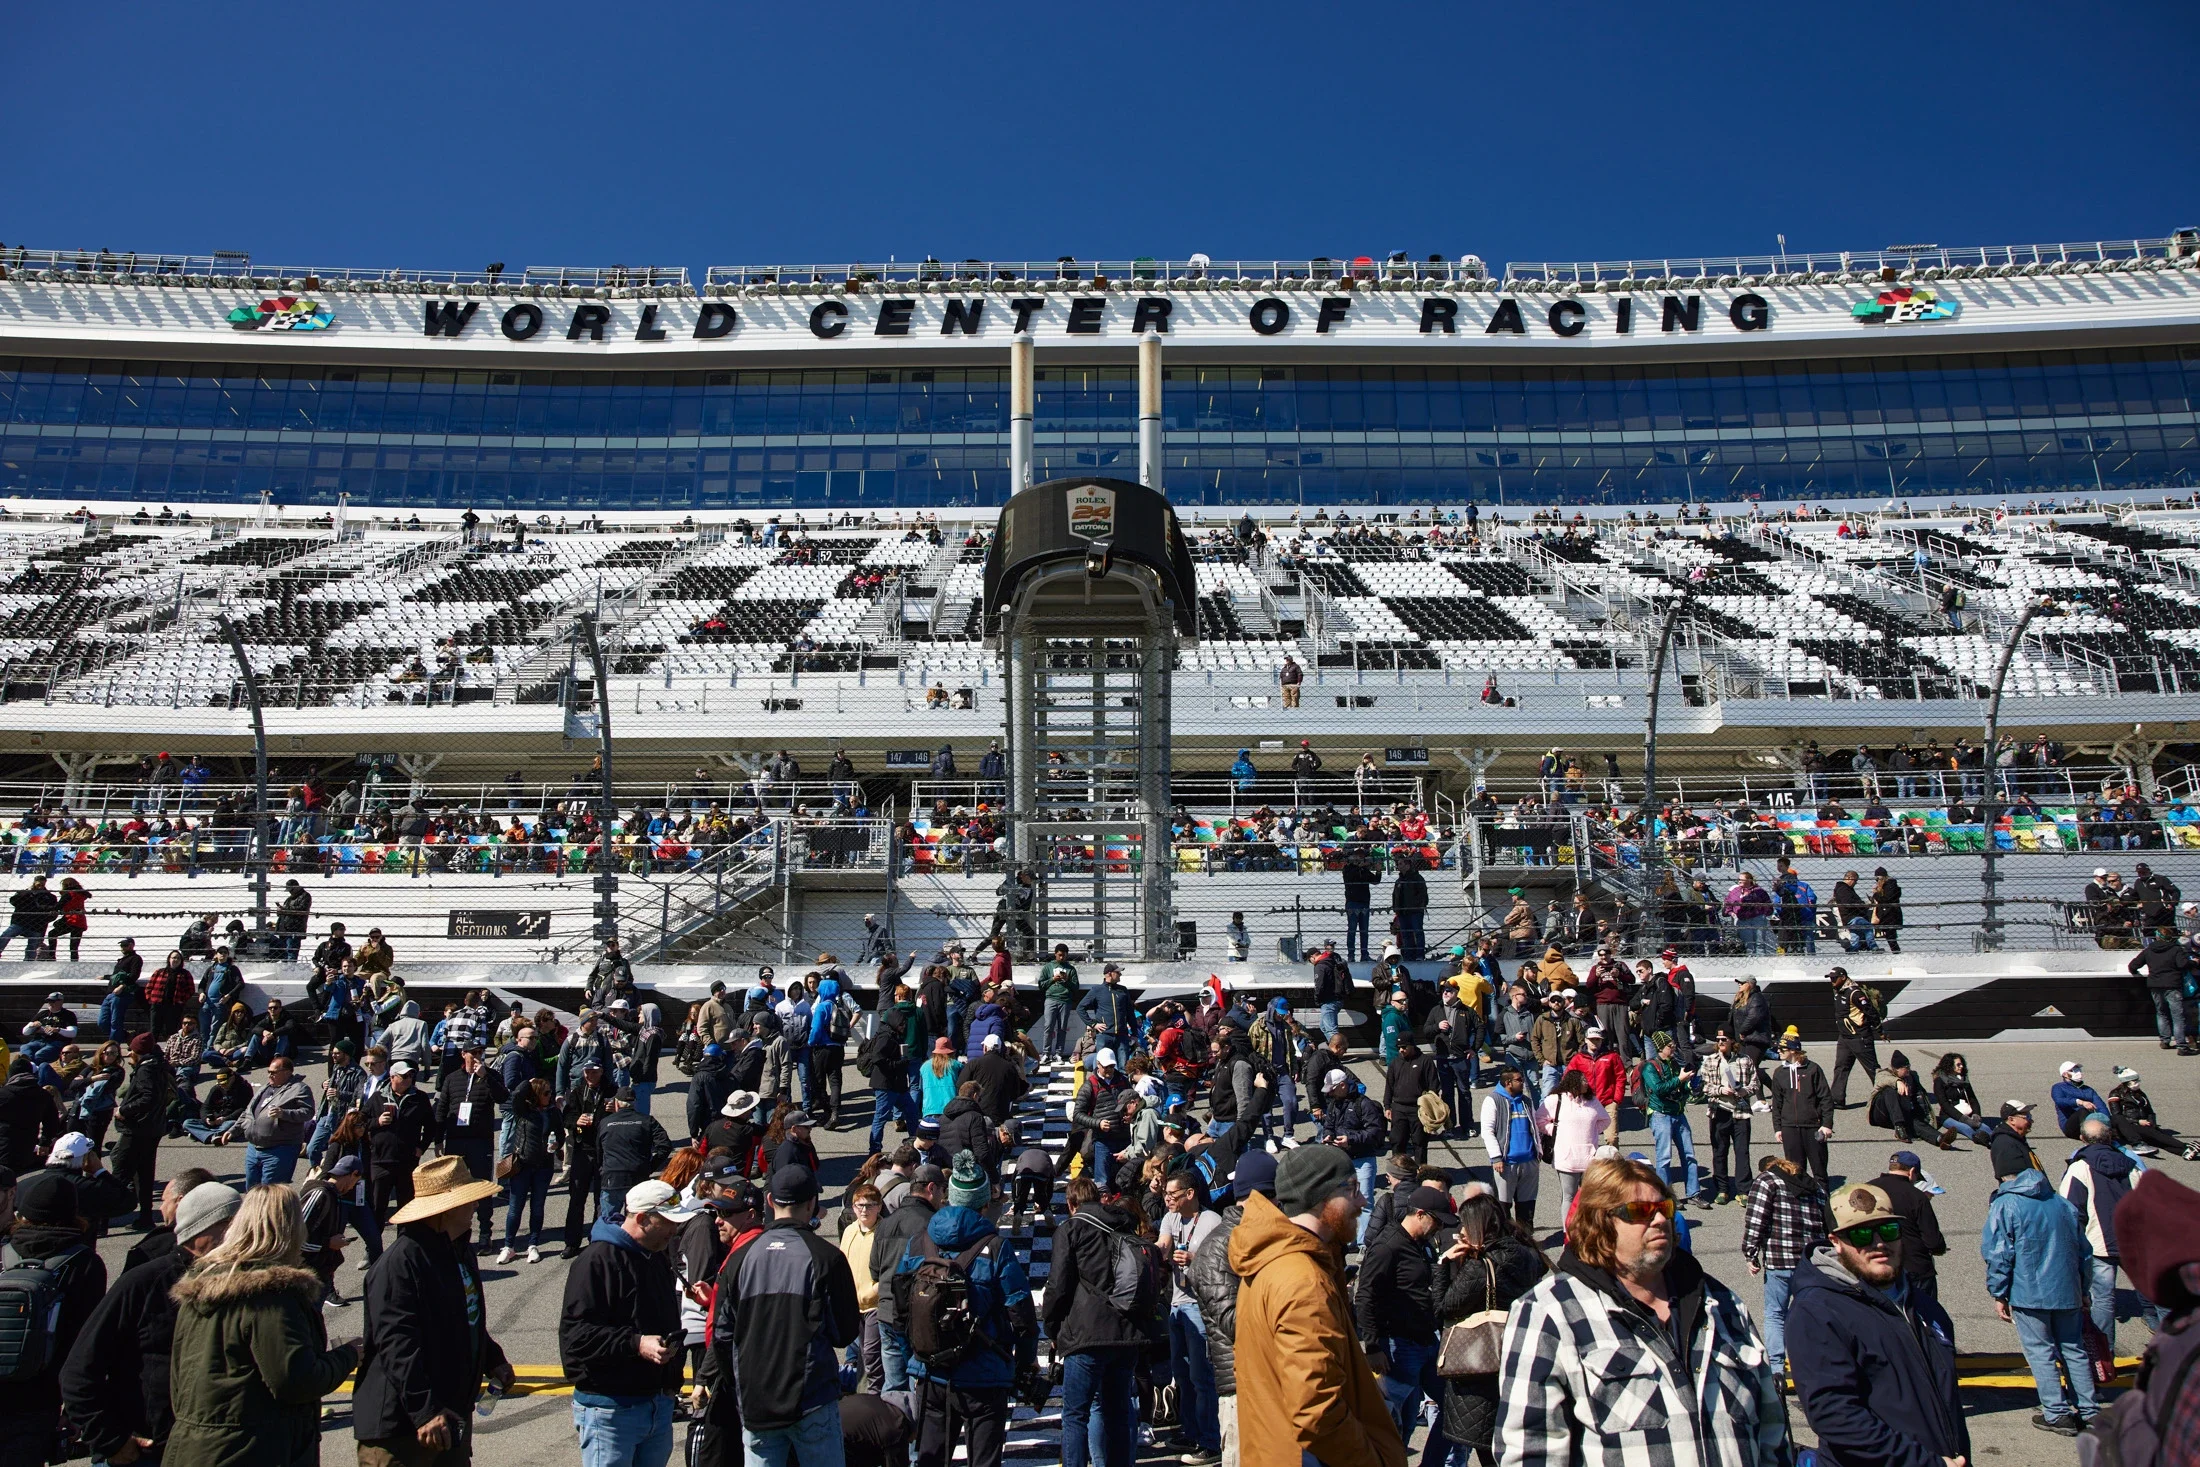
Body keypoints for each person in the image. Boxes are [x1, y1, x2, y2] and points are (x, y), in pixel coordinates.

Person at [1496, 1155, 1785, 1467]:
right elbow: (1529, 1453)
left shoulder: (1722, 1304)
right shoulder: (1548, 1313)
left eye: (1664, 1209)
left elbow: (1773, 1435)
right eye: (1641, 1212)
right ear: (1601, 1223)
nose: (1660, 1219)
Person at [1229, 1144, 1406, 1467]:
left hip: (1277, 1449)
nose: (1363, 1201)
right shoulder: (1302, 1280)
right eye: (1352, 1189)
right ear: (1324, 1196)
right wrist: (1372, 1460)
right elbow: (1316, 1410)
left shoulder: (1275, 1260)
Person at [165, 1184, 363, 1467]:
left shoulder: (200, 1286)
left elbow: (178, 1378)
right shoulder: (273, 1295)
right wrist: (348, 1356)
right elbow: (296, 1380)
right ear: (294, 1230)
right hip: (254, 1449)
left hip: (194, 1445)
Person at [1785, 1181, 1970, 1467]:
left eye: (1887, 1230)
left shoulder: (1924, 1306)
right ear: (1835, 1241)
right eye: (1860, 1234)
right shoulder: (1817, 1312)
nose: (1878, 1243)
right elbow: (1836, 1417)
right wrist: (1923, 1463)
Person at [61, 1180, 239, 1467]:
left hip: (212, 1451)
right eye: (229, 1226)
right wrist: (110, 1440)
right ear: (199, 1230)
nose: (238, 1237)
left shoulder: (239, 1284)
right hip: (144, 1451)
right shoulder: (145, 1282)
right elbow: (79, 1371)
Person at [353, 1156, 514, 1467]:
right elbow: (397, 1346)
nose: (476, 1208)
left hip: (448, 1418)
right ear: (446, 1209)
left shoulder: (458, 1249)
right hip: (405, 1430)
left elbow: (464, 1317)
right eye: (469, 1201)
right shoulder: (399, 1264)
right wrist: (425, 1410)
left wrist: (492, 1358)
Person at [896, 1154, 1035, 1467]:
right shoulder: (996, 1247)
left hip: (932, 1373)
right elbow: (1021, 1312)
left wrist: (913, 1355)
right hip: (985, 1373)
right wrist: (1024, 1363)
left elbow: (901, 1307)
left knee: (930, 1459)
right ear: (984, 1205)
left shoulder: (921, 1242)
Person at [725, 1166, 859, 1466]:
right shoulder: (826, 1257)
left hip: (756, 1400)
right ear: (812, 1203)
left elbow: (722, 1335)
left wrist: (741, 1384)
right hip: (811, 1399)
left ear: (770, 1200)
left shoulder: (740, 1258)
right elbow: (845, 1332)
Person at [557, 1178, 689, 1467]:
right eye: (668, 1221)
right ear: (642, 1219)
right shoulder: (597, 1261)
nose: (674, 1229)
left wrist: (670, 1384)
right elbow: (576, 1337)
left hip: (656, 1404)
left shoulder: (653, 1254)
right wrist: (636, 1343)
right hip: (611, 1410)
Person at [0, 1171, 109, 1465]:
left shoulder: (3, 1254)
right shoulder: (84, 1263)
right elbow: (85, 1343)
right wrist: (75, 1406)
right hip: (40, 1398)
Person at [1984, 1160, 2099, 1435]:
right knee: (2074, 1349)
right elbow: (2085, 1251)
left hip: (2028, 1292)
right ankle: (2090, 1411)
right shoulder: (2063, 1205)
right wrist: (2083, 1289)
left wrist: (1998, 1292)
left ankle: (2057, 1413)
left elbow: (1999, 1253)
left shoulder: (2006, 1204)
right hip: (2067, 1290)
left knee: (2041, 1352)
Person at [1434, 1192, 1549, 1467]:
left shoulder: (1481, 1267)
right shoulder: (1527, 1254)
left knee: (1489, 1453)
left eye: (1464, 1225)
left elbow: (1443, 1308)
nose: (1460, 1231)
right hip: (1523, 1356)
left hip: (1484, 1368)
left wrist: (1444, 1264)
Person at [1046, 1176, 1152, 1467]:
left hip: (1086, 1334)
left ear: (1071, 1204)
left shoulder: (1071, 1229)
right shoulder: (1124, 1224)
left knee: (1075, 1415)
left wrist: (1052, 1327)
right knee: (1118, 1410)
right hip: (1127, 1332)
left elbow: (1058, 1285)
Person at [1187, 1149, 1275, 1467]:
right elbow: (1234, 1322)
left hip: (1276, 1381)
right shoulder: (1218, 1248)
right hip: (1242, 1388)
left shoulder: (1272, 1238)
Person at [1355, 1182, 1452, 1459]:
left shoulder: (1419, 1244)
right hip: (1399, 1348)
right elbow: (1365, 1297)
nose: (1439, 1228)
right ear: (1420, 1214)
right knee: (1394, 1422)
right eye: (1436, 1221)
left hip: (1424, 1342)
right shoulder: (1388, 1246)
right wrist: (1373, 1346)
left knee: (1450, 1409)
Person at [2062, 1114, 2148, 1354]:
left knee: (2103, 1301)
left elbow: (2071, 1211)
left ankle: (2104, 1353)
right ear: (2110, 1137)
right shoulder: (2131, 1165)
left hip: (2099, 1245)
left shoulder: (2079, 1168)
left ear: (2082, 1139)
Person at [1739, 1154, 1830, 1383]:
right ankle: (1812, 1366)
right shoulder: (1815, 1186)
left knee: (1776, 1314)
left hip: (1781, 1260)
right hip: (1812, 1264)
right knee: (1809, 1316)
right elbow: (1827, 1223)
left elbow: (1756, 1218)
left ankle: (1777, 1370)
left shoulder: (1767, 1181)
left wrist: (1751, 1253)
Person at [1157, 1169, 1224, 1464]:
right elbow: (1163, 1245)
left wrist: (1195, 1260)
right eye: (1165, 1194)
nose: (1167, 1198)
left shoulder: (1212, 1222)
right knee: (1181, 1372)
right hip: (1176, 1303)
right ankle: (1191, 1431)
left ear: (1190, 1194)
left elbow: (1224, 1262)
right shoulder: (1171, 1217)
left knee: (1201, 1375)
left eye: (1172, 1194)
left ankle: (1211, 1441)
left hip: (1199, 1306)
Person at [1870, 1150, 1949, 1301]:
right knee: (1924, 1317)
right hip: (1914, 1267)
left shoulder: (1868, 1190)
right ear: (1912, 1172)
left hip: (1876, 1265)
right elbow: (1933, 1241)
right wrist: (1940, 1248)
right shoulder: (1917, 1197)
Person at [111, 1031, 172, 1226]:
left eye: (131, 1050)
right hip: (153, 1128)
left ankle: (101, 1221)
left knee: (120, 1173)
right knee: (144, 1174)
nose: (129, 1054)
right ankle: (145, 1216)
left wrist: (125, 1110)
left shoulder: (146, 1069)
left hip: (138, 1129)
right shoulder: (158, 1065)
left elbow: (148, 1097)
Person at [1539, 1070, 1607, 1236]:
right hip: (1567, 1159)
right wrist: (1555, 1130)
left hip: (1589, 1159)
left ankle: (1588, 1233)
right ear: (1573, 1082)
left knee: (1589, 1198)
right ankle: (1568, 1234)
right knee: (1569, 1197)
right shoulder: (1556, 1099)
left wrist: (1592, 1131)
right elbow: (1539, 1119)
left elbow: (1605, 1120)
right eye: (1583, 1079)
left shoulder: (1592, 1101)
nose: (1586, 1082)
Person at [1478, 1065, 1543, 1233]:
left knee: (1527, 1207)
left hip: (1529, 1162)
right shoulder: (1493, 1100)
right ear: (1508, 1082)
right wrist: (1497, 1157)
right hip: (1506, 1164)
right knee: (1503, 1207)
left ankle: (1527, 1241)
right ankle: (1506, 1240)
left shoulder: (1526, 1101)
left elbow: (1534, 1127)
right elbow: (1487, 1131)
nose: (1522, 1082)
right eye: (1519, 1080)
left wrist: (1538, 1152)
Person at [1700, 1028, 1759, 1206]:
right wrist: (1720, 1090)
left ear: (1732, 1041)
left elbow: (1755, 1083)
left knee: (1742, 1152)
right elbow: (1704, 1085)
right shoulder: (1710, 1061)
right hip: (1719, 1111)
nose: (1720, 1042)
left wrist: (1743, 1091)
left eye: (1724, 1039)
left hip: (1740, 1112)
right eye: (1717, 1039)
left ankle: (1743, 1190)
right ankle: (1722, 1189)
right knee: (1719, 1151)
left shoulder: (1744, 1060)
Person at [1640, 1031, 1699, 1207]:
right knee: (1664, 1157)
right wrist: (1680, 1080)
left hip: (1678, 1113)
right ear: (1660, 1048)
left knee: (1689, 1155)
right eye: (1670, 1046)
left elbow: (1679, 1088)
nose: (1673, 1049)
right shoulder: (1650, 1067)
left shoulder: (1674, 1063)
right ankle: (1665, 1195)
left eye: (1673, 1046)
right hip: (1660, 1115)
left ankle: (1694, 1192)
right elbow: (1659, 1089)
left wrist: (1688, 1085)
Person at [1765, 1034, 1832, 1184]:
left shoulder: (1813, 1069)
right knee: (1795, 1172)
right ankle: (1800, 1205)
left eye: (1782, 1049)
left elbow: (1825, 1098)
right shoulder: (1779, 1073)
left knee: (1819, 1171)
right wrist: (1778, 1128)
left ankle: (1824, 1204)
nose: (1778, 1052)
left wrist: (1827, 1124)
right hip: (1789, 1128)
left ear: (1794, 1050)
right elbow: (1777, 1103)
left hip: (1813, 1127)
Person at [239, 1054, 316, 1188]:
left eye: (273, 1072)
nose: (269, 1075)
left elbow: (308, 1113)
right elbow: (248, 1111)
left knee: (271, 1194)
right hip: (254, 1147)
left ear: (287, 1072)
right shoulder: (265, 1087)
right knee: (251, 1191)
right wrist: (232, 1131)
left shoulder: (299, 1088)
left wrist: (284, 1113)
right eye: (268, 1072)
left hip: (280, 1149)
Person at [2129, 926, 2195, 1054]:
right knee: (2177, 1016)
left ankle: (2165, 1040)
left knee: (2161, 1012)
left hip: (2155, 985)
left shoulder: (2149, 950)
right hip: (2172, 985)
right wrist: (2195, 963)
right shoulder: (2176, 949)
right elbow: (2183, 964)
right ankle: (2181, 1045)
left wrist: (2138, 972)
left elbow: (2133, 966)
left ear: (2157, 936)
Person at [1930, 1053, 1991, 1145]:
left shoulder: (1963, 1079)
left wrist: (1976, 1115)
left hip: (1966, 1113)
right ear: (1950, 1065)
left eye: (1962, 1064)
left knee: (1984, 1127)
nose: (1961, 1066)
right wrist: (1964, 1119)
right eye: (1958, 1064)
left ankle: (1997, 1138)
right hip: (1949, 1116)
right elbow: (1945, 1105)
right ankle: (1982, 1140)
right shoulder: (1939, 1081)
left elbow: (1972, 1099)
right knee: (1966, 1128)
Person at [1989, 1099, 2046, 1181]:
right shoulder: (2005, 1143)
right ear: (2012, 1120)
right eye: (2027, 1117)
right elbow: (2013, 1181)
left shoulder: (2016, 1139)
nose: (2031, 1121)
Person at [2053, 1060, 2110, 1140]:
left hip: (2092, 1124)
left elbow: (2101, 1106)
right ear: (2065, 1074)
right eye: (2073, 1070)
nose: (2078, 1072)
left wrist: (2106, 1122)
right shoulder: (2058, 1087)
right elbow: (2060, 1101)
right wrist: (2080, 1102)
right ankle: (2090, 1137)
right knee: (2083, 1111)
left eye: (2078, 1070)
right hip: (2071, 1126)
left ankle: (2133, 1144)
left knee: (2117, 1118)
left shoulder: (2088, 1090)